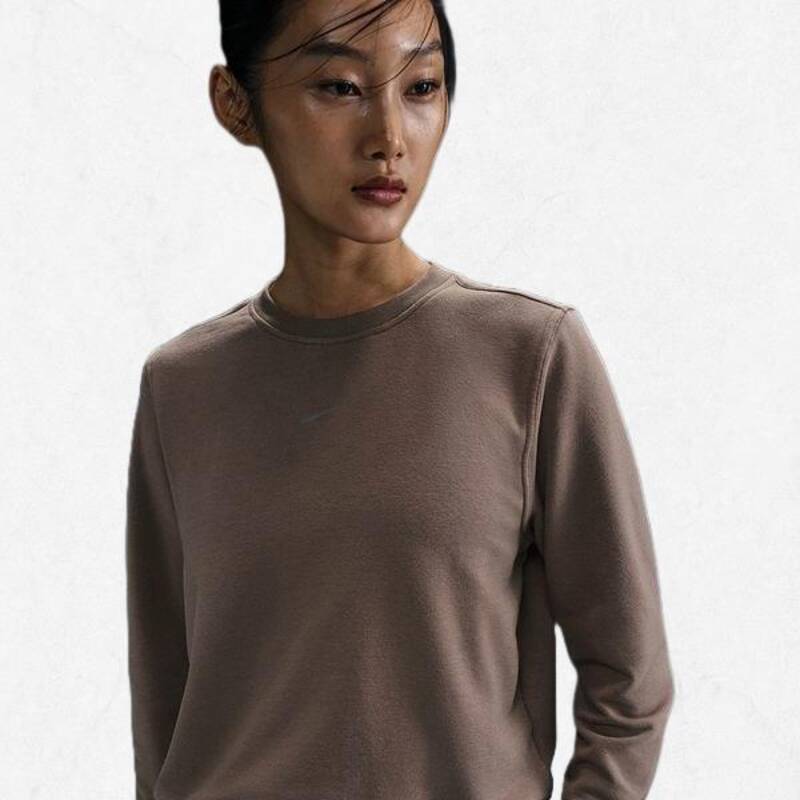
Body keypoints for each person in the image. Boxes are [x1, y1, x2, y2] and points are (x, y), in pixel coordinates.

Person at [125, 1, 675, 798]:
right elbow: (163, 710)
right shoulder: (181, 386)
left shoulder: (531, 355)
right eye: (340, 87)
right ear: (235, 104)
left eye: (421, 87)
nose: (388, 136)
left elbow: (630, 684)